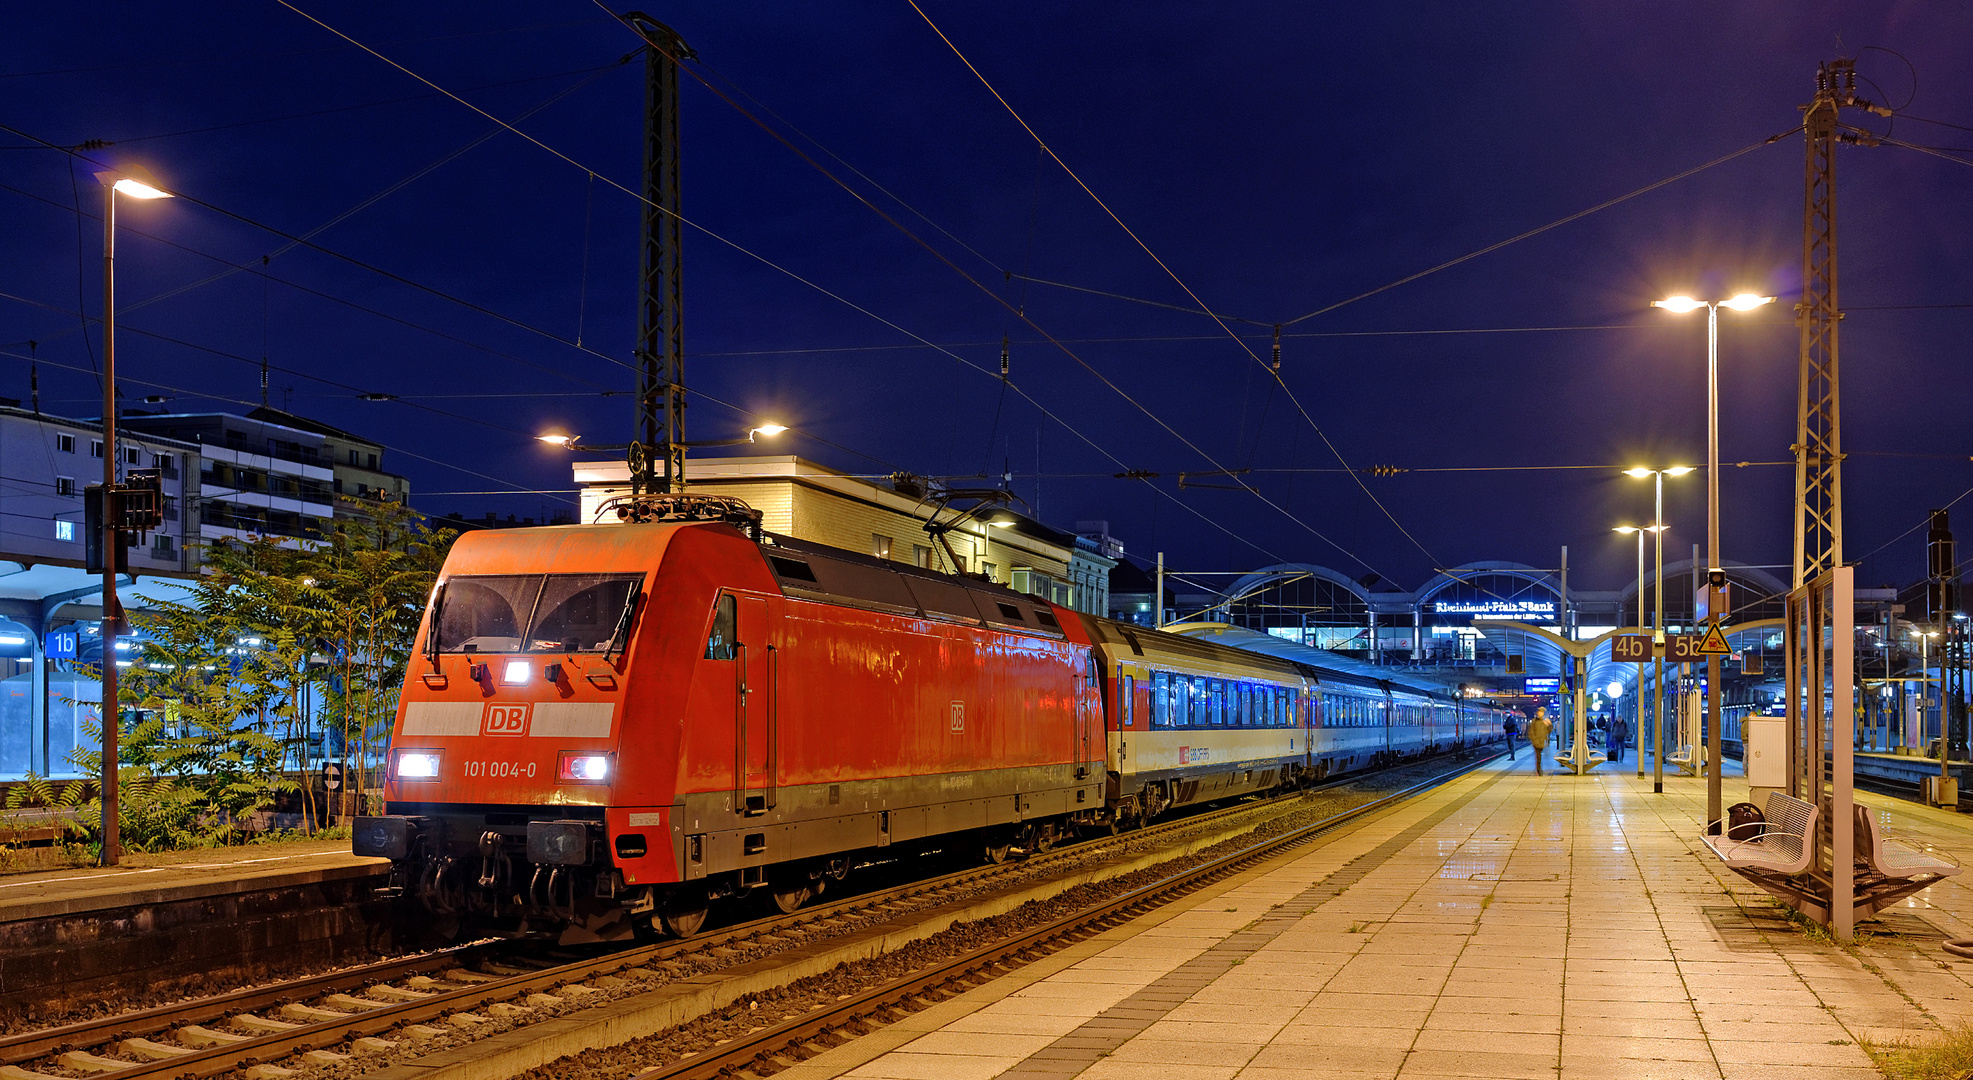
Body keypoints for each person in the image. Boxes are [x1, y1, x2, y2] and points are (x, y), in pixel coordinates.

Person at [1527, 707, 1552, 776]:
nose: (1540, 714)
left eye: (1541, 712)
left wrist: (1549, 724)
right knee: (1538, 757)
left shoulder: (1544, 721)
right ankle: (1539, 770)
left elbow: (1549, 731)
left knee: (1540, 756)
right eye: (1539, 712)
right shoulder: (1534, 721)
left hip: (1542, 741)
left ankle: (1539, 769)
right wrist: (1534, 740)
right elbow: (1531, 732)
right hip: (1536, 742)